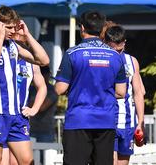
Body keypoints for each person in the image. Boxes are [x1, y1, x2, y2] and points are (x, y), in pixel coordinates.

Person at [0, 5, 50, 165]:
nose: (12, 31)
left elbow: (43, 61)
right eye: (8, 28)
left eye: (13, 27)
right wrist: (0, 38)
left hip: (16, 115)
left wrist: (28, 36)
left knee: (28, 161)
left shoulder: (14, 46)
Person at [54, 10, 127, 165]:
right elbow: (121, 92)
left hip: (79, 120)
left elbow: (60, 88)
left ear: (82, 28)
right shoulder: (115, 56)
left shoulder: (72, 53)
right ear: (102, 30)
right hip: (106, 121)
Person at [103, 24, 146, 165]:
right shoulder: (101, 60)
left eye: (119, 50)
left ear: (124, 43)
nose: (116, 54)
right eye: (112, 50)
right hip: (108, 118)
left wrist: (140, 122)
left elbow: (139, 93)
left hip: (127, 121)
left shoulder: (132, 61)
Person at [1, 58, 47, 165]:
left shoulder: (31, 62)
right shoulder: (0, 56)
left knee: (26, 161)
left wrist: (34, 108)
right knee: (1, 162)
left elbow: (42, 87)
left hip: (19, 117)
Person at [29, 66, 58, 143]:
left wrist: (33, 104)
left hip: (46, 131)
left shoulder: (52, 90)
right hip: (31, 129)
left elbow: (42, 107)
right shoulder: (31, 88)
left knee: (47, 154)